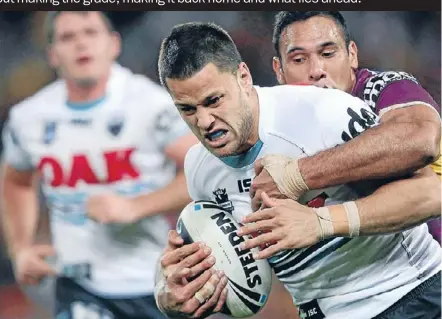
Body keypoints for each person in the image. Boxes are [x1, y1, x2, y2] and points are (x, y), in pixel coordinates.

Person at [153, 22, 441, 319]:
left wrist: (321, 221)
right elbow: (240, 267)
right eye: (187, 109)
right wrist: (175, 288)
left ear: (243, 77)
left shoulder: (323, 111)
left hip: (410, 296)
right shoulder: (199, 170)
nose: (204, 121)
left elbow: (430, 195)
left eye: (213, 101)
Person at [1, 11, 197, 319]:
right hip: (79, 285)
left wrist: (136, 206)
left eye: (90, 32)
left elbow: (203, 172)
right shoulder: (29, 118)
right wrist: (21, 248)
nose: (81, 44)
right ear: (52, 54)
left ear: (114, 44)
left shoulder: (152, 106)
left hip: (156, 282)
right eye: (68, 37)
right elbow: (16, 179)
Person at [256, 11, 441, 242]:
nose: (316, 70)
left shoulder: (382, 88)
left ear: (352, 54)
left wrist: (297, 175)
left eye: (328, 53)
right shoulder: (278, 128)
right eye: (299, 60)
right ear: (279, 71)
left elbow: (420, 140)